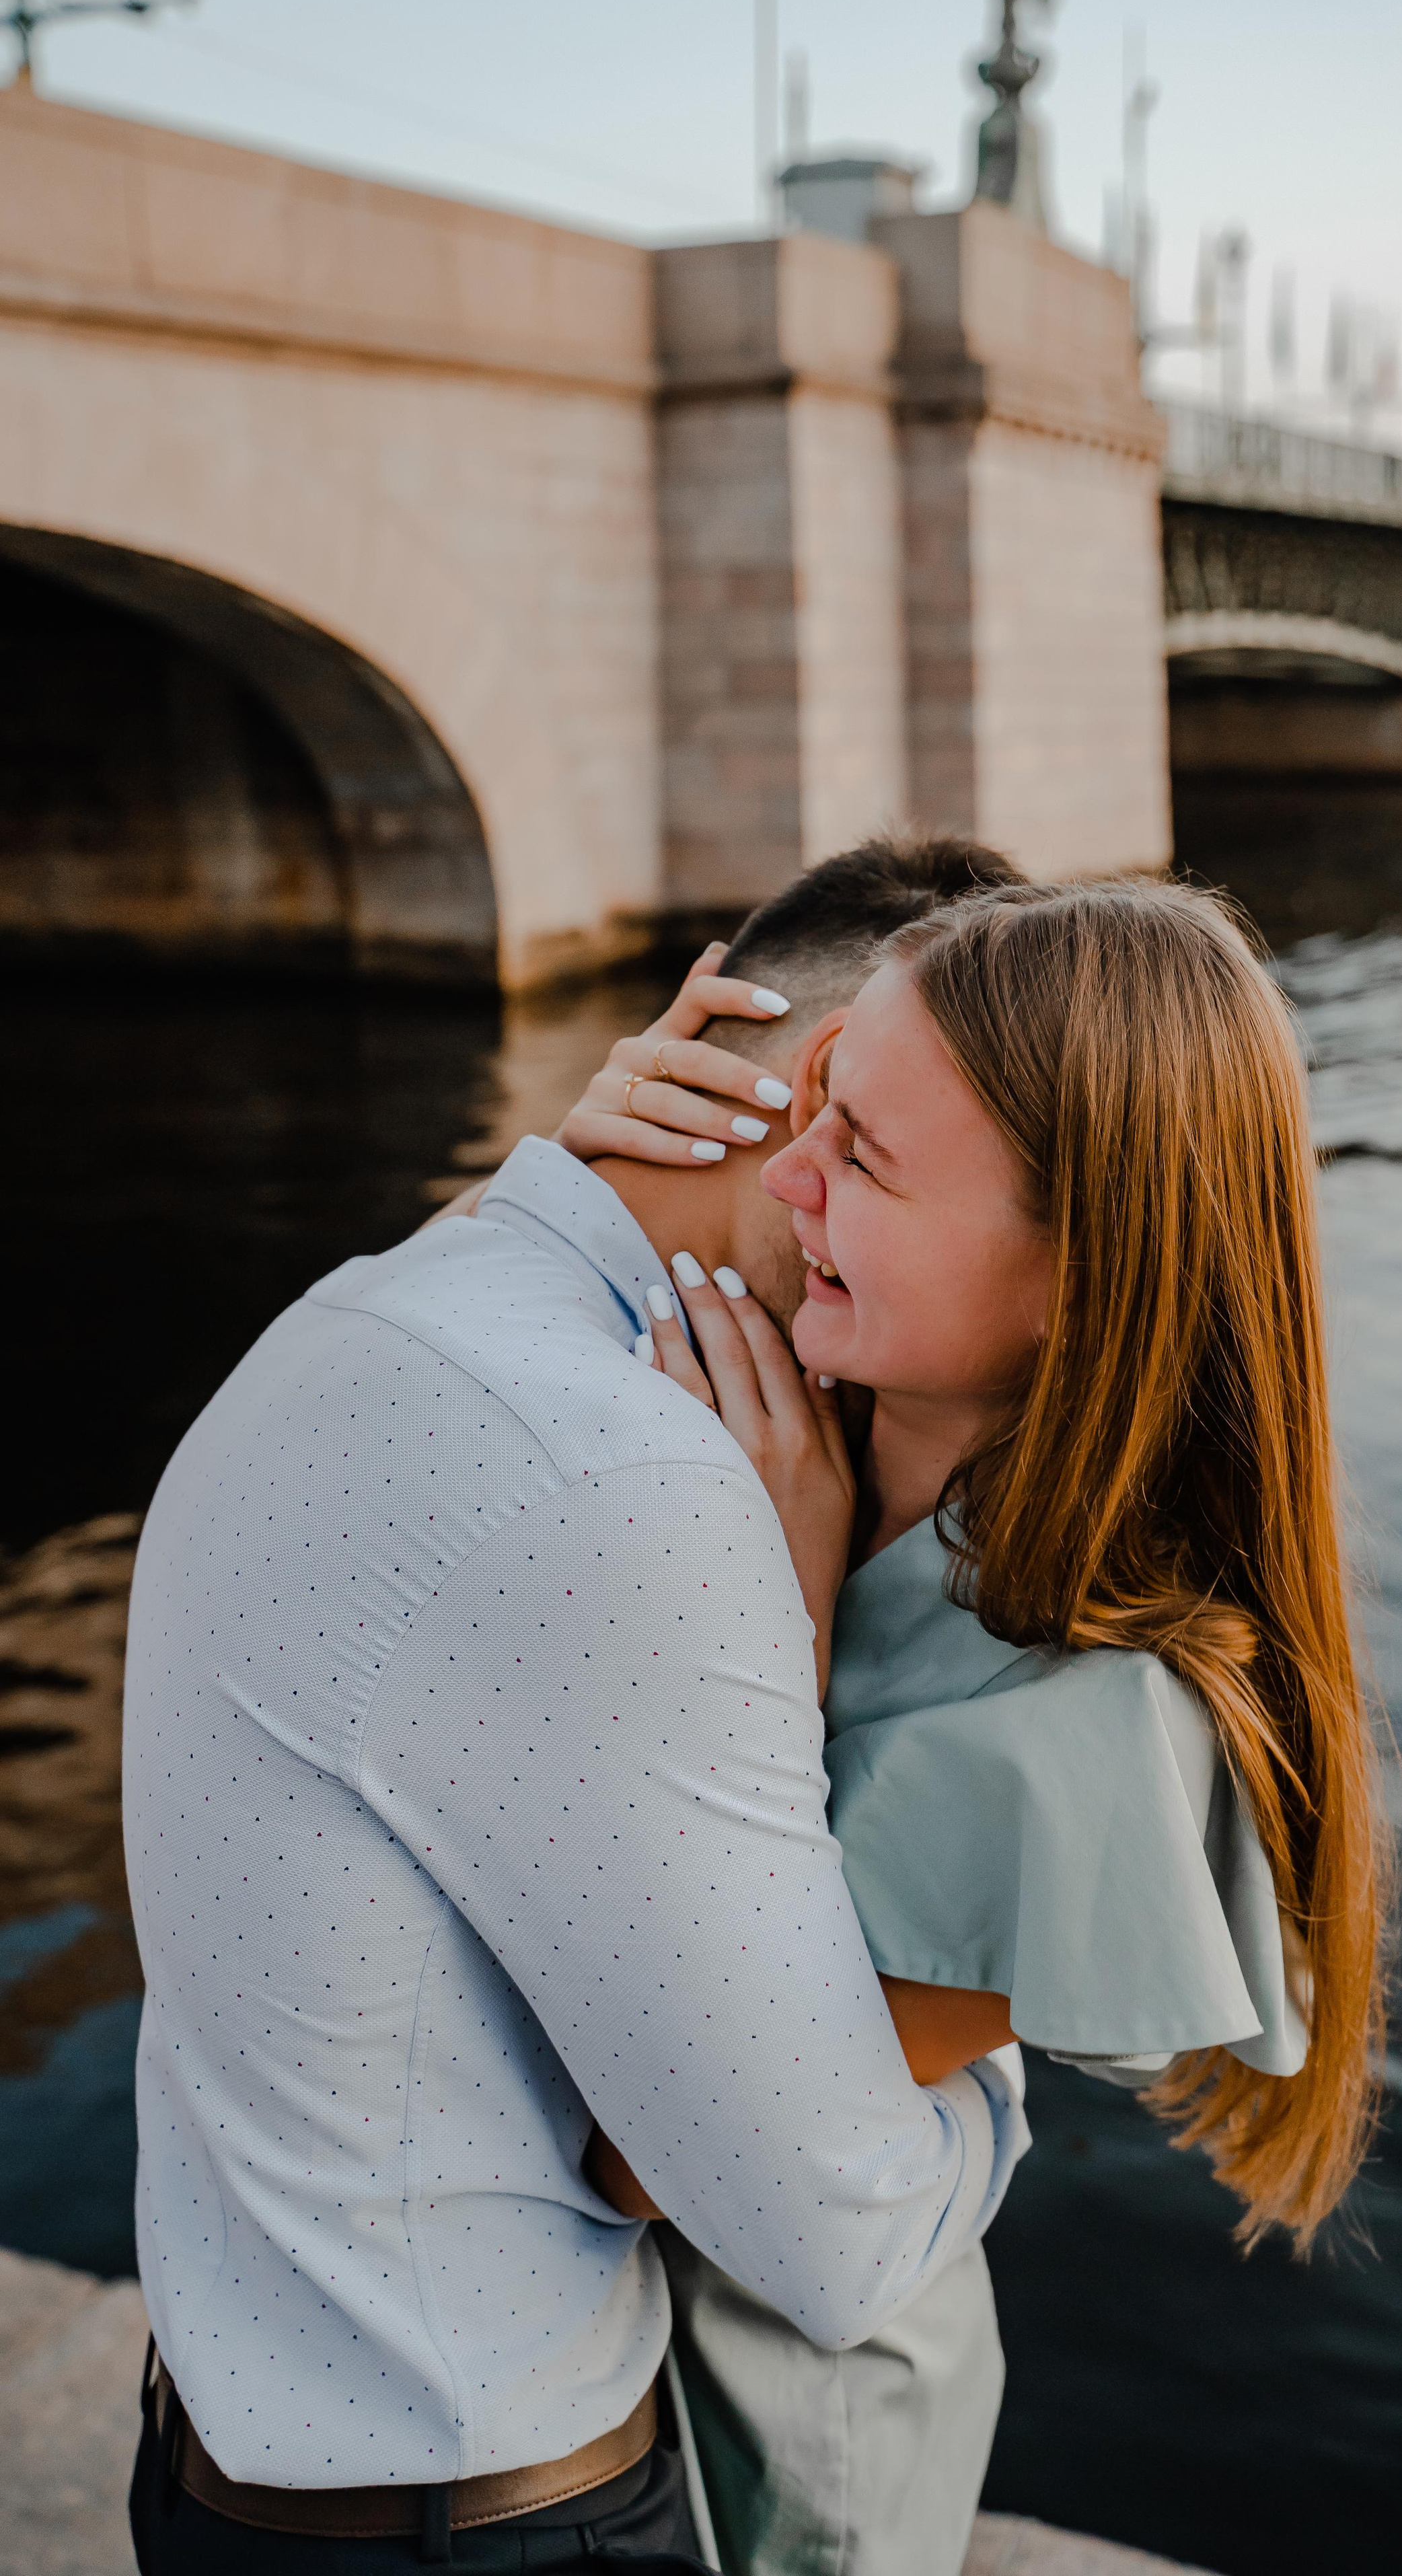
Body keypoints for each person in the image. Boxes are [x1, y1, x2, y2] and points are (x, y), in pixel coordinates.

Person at [117, 842, 1034, 2573]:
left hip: (232, 2455)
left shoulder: (383, 1301)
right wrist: (1013, 2035)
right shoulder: (628, 1476)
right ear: (819, 1085)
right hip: (481, 2519)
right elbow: (826, 2238)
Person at [546, 858, 1387, 2576]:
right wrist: (581, 1182)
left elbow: (659, 2154)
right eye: (809, 1107)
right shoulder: (839, 1412)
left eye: (858, 1155)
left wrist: (762, 1625)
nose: (781, 1179)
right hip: (609, 2397)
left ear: (1076, 1279)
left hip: (779, 2475)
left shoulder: (1076, 1735)